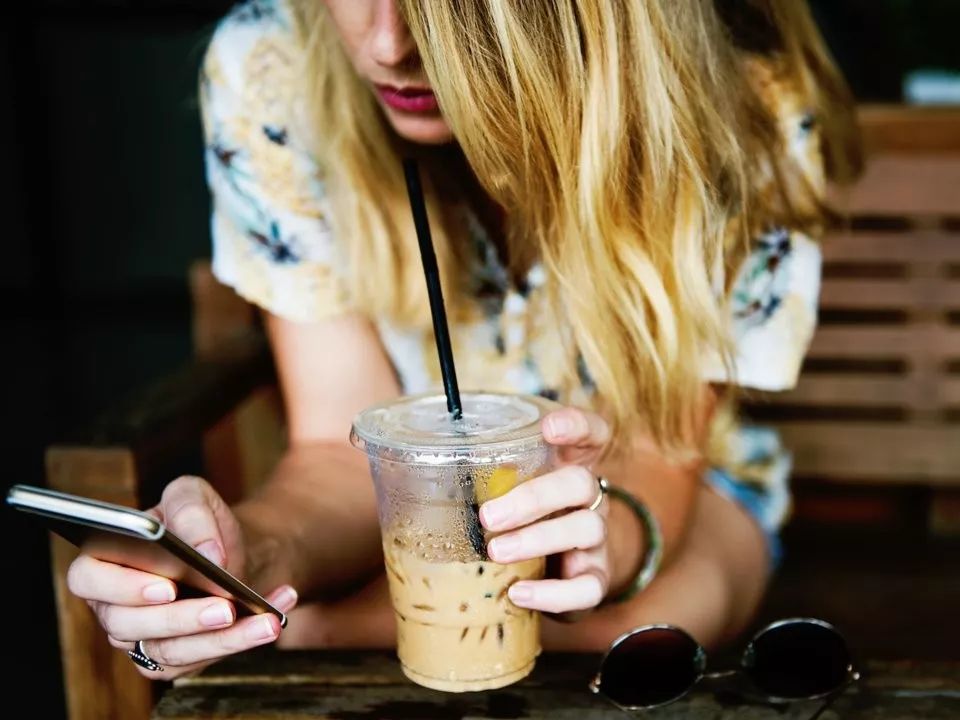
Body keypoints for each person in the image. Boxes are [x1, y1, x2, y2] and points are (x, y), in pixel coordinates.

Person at [65, 0, 861, 680]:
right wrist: (248, 559)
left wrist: (601, 543)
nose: (388, 45)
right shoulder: (272, 67)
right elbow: (339, 452)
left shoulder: (744, 105)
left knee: (631, 634)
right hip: (411, 511)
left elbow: (661, 452)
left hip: (677, 488)